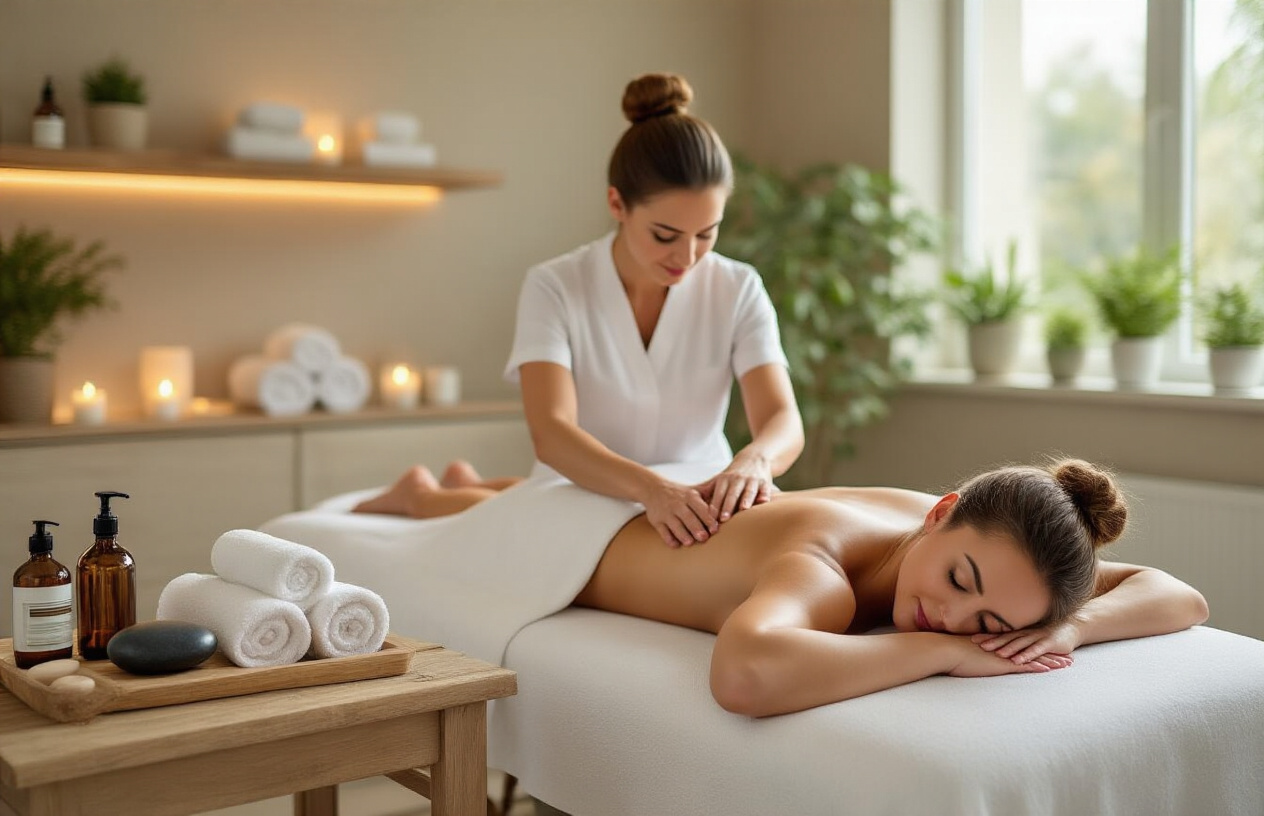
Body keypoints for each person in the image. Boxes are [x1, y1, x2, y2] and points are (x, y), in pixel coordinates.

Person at [352, 456, 1209, 716]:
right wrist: (941, 651)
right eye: (959, 582)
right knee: (481, 510)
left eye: (991, 620)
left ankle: (458, 481)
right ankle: (427, 492)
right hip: (566, 541)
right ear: (942, 510)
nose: (956, 612)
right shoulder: (824, 570)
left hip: (653, 515)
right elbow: (744, 673)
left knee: (524, 493)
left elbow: (1178, 595)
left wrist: (1067, 631)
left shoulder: (997, 551)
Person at [356, 73, 805, 546]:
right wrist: (651, 490)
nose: (688, 256)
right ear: (617, 203)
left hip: (702, 486)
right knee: (560, 517)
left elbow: (782, 417)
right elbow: (552, 431)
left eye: (707, 233)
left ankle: (465, 484)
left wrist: (755, 460)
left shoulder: (738, 287)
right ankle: (420, 496)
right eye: (665, 235)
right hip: (582, 483)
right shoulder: (555, 286)